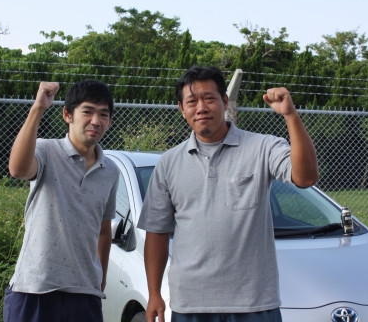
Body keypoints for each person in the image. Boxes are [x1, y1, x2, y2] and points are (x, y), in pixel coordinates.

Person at [137, 66, 319, 322]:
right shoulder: (168, 163)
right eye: (192, 101)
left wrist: (290, 116)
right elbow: (157, 231)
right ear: (181, 109)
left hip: (254, 303)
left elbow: (306, 177)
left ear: (224, 101)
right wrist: (154, 293)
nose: (201, 108)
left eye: (209, 98)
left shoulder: (263, 147)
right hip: (190, 304)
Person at [4, 80, 120, 322]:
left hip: (85, 294)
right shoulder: (46, 151)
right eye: (87, 112)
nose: (96, 121)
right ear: (68, 115)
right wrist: (38, 108)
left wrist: (100, 279)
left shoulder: (110, 170)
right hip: (35, 288)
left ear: (110, 120)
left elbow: (103, 230)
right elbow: (18, 169)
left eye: (103, 114)